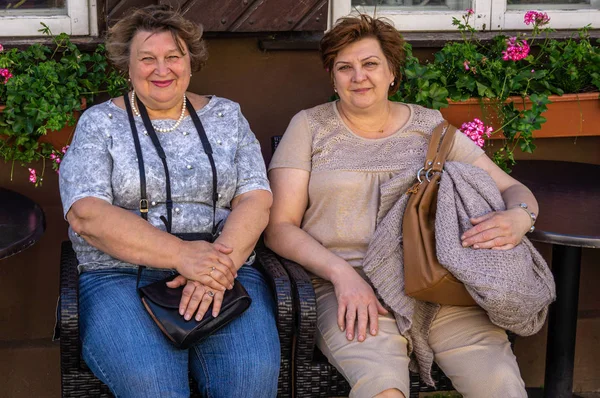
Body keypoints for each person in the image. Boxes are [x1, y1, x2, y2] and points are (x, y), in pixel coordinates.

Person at [265, 15, 538, 398]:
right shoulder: (310, 127)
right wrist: (342, 275)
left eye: (370, 64)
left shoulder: (430, 127)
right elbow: (280, 226)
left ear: (393, 71)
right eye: (345, 67)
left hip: (433, 283)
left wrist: (519, 217)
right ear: (333, 77)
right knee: (382, 389)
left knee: (500, 385)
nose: (358, 76)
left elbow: (513, 188)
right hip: (348, 287)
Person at [59, 5, 279, 397]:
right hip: (120, 275)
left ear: (190, 62)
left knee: (252, 376)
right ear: (127, 66)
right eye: (147, 58)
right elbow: (86, 214)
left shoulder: (227, 116)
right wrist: (183, 256)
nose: (162, 68)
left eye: (173, 57)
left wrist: (214, 268)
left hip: (225, 269)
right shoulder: (99, 123)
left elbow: (256, 200)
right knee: (153, 384)